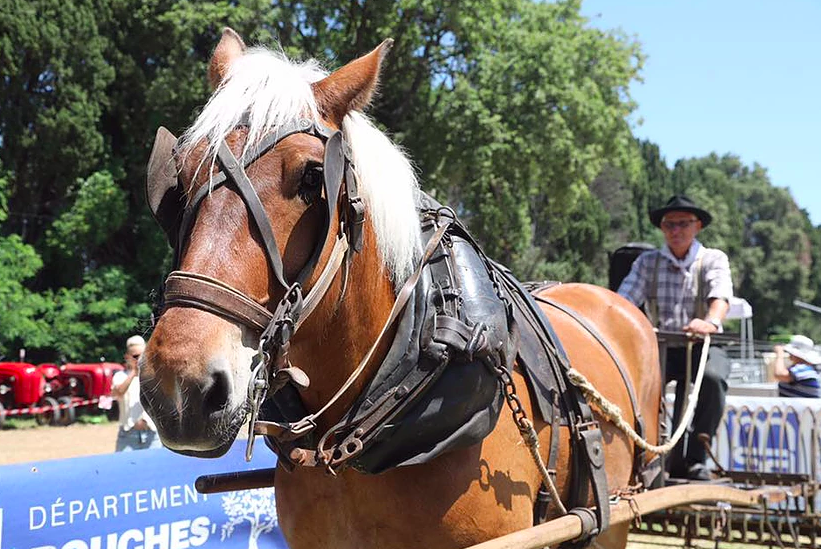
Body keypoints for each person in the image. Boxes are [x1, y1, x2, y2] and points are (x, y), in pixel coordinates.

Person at [618, 195, 733, 481]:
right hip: (660, 348)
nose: (675, 230)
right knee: (627, 384)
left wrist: (710, 322)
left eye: (683, 224)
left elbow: (720, 297)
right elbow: (624, 301)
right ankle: (644, 456)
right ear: (662, 229)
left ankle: (695, 458)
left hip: (702, 345)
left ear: (697, 227)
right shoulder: (648, 262)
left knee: (714, 379)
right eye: (669, 224)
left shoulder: (712, 259)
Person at [110, 335, 162, 451]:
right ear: (127, 357)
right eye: (135, 356)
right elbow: (117, 393)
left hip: (152, 435)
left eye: (143, 355)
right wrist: (133, 373)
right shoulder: (120, 376)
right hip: (128, 436)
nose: (139, 359)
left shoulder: (154, 376)